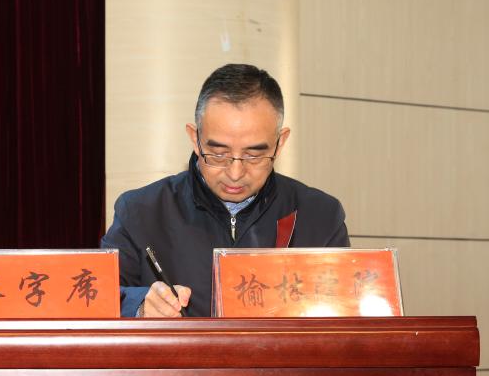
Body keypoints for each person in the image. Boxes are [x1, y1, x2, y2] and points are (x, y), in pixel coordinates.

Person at [102, 63, 348, 317]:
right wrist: (140, 306)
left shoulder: (320, 216)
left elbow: (347, 312)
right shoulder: (141, 212)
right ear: (195, 138)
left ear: (280, 142)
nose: (235, 173)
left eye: (253, 155)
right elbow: (99, 298)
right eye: (219, 154)